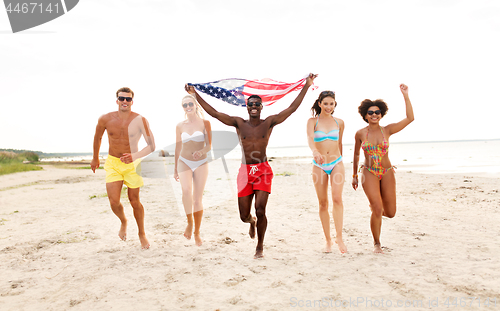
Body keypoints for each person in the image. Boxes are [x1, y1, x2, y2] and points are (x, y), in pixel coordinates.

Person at [185, 73, 317, 258]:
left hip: (263, 170)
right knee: (244, 215)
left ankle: (260, 246)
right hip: (245, 172)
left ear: (261, 107)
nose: (254, 106)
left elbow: (292, 108)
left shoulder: (269, 122)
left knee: (261, 209)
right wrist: (194, 95)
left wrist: (307, 85)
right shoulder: (239, 123)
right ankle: (251, 222)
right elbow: (214, 113)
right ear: (246, 107)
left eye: (257, 104)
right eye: (251, 104)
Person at [90, 87, 156, 249]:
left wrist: (135, 156)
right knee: (113, 201)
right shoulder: (105, 119)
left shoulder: (140, 120)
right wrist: (95, 157)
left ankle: (141, 233)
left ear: (132, 101)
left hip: (132, 164)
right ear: (117, 100)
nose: (124, 101)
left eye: (128, 99)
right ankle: (124, 221)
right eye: (122, 98)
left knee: (134, 201)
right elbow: (98, 137)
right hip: (113, 162)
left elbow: (151, 146)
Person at [352, 84, 414, 253]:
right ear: (365, 115)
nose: (374, 115)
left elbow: (410, 118)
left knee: (391, 212)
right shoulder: (360, 133)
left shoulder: (387, 130)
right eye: (370, 112)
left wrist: (406, 96)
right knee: (378, 208)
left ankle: (376, 210)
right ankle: (377, 243)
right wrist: (354, 175)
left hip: (386, 172)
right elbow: (356, 155)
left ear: (381, 114)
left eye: (377, 112)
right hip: (369, 172)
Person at [306, 90, 346, 254]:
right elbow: (310, 138)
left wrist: (341, 160)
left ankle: (339, 238)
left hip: (337, 162)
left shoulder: (340, 122)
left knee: (337, 199)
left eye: (332, 103)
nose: (329, 106)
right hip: (319, 164)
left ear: (335, 104)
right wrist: (315, 151)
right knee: (323, 203)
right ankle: (328, 241)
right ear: (320, 104)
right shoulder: (312, 121)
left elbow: (340, 143)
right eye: (326, 103)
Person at [174, 95, 212, 246]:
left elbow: (209, 145)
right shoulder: (179, 126)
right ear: (182, 107)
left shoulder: (205, 123)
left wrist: (201, 152)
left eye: (190, 104)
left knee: (197, 200)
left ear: (196, 105)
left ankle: (197, 232)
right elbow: (178, 147)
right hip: (184, 161)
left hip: (201, 163)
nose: (188, 106)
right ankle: (189, 222)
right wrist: (175, 168)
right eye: (185, 105)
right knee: (186, 191)